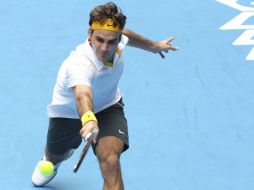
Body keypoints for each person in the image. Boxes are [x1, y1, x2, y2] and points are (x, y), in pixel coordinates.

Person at [31, 2, 178, 190]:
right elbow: (82, 95)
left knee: (110, 160)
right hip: (68, 115)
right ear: (89, 34)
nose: (104, 47)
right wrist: (89, 119)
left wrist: (154, 46)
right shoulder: (79, 64)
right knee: (55, 155)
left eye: (111, 41)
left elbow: (127, 36)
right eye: (99, 39)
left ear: (117, 38)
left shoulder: (119, 39)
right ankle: (52, 159)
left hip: (108, 107)